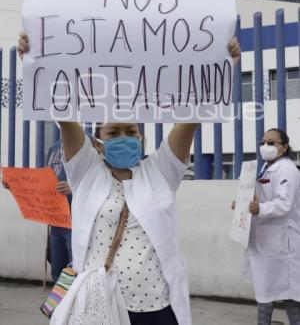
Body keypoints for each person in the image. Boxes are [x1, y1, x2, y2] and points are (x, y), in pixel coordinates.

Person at [18, 32, 240, 325]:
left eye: (131, 132)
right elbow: (64, 115)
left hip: (157, 309)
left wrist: (223, 64)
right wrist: (36, 63)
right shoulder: (87, 172)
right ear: (97, 142)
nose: (124, 138)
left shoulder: (160, 172)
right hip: (101, 309)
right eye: (113, 132)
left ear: (142, 138)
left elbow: (192, 117)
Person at [243, 128, 300, 325]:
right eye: (263, 142)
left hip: (283, 244)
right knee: (266, 292)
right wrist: (243, 204)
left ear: (283, 147)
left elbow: (284, 204)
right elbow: (261, 197)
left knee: (290, 295)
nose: (265, 146)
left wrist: (259, 208)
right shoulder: (267, 167)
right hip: (268, 243)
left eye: (271, 143)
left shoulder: (287, 169)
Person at [47, 139, 73, 283]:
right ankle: (60, 305)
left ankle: (76, 304)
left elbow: (98, 178)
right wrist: (14, 185)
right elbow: (44, 179)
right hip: (57, 222)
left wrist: (74, 187)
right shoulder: (53, 148)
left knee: (75, 271)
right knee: (58, 272)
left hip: (77, 222)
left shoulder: (90, 144)